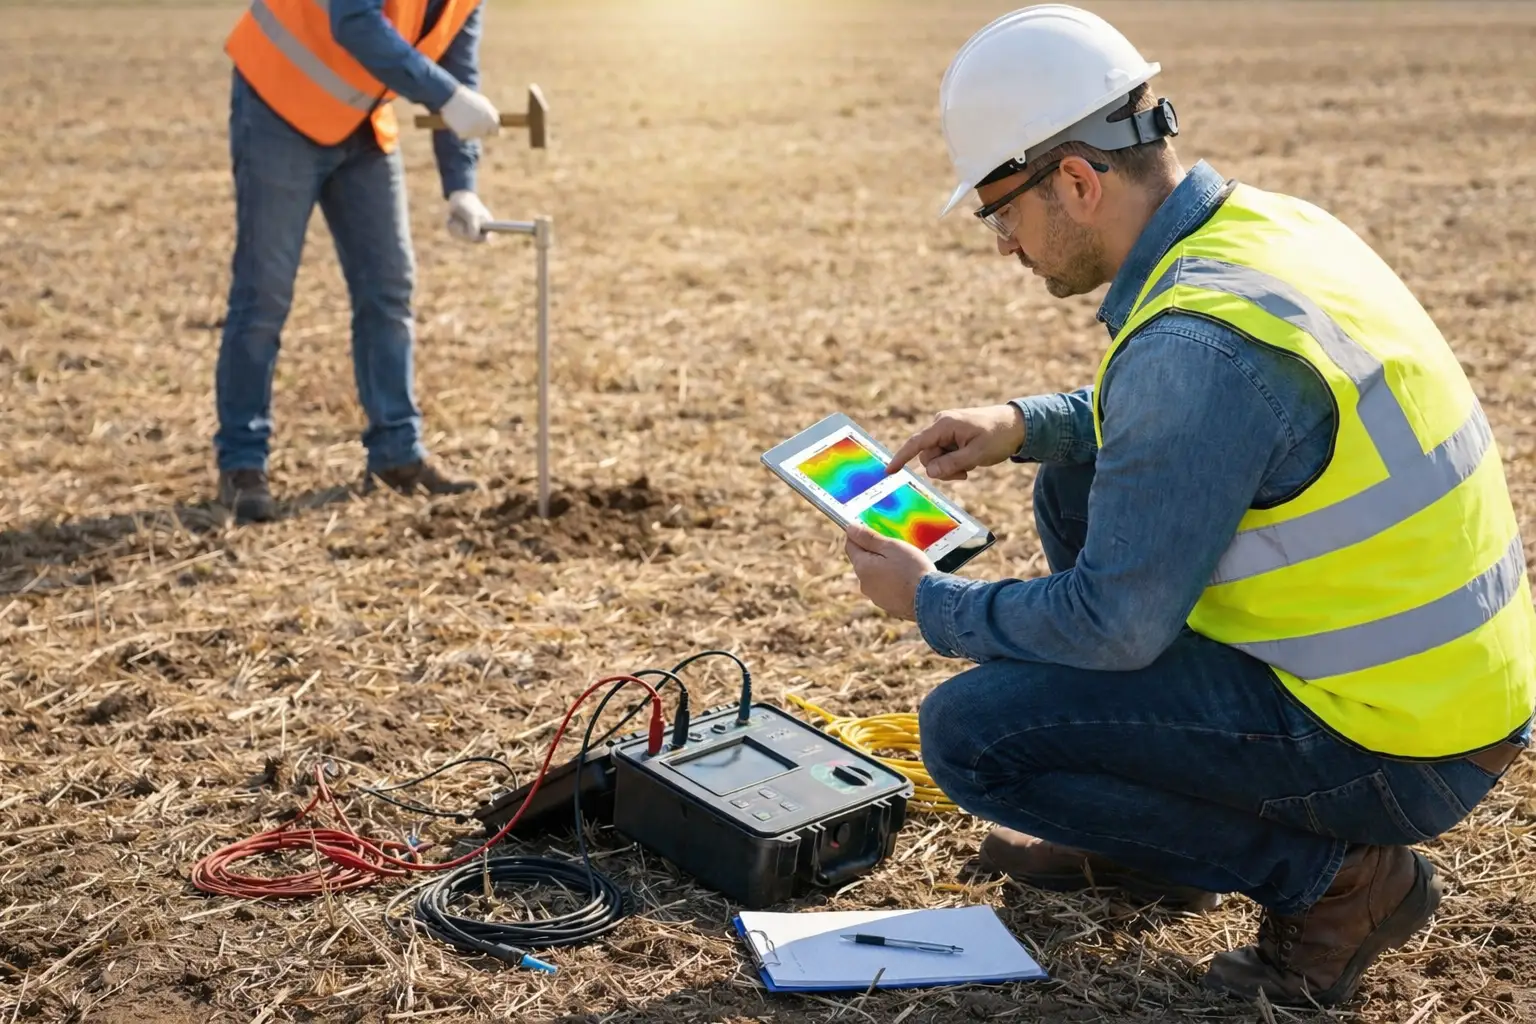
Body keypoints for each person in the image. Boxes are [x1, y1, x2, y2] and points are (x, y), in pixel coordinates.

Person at [840, 4, 1535, 1009]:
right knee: (1073, 474)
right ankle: (1157, 842)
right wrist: (1025, 424)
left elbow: (1111, 623)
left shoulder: (1194, 345)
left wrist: (931, 601)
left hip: (1397, 747)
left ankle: (1340, 885)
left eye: (1000, 213)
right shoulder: (1273, 230)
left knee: (971, 734)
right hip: (1446, 694)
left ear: (1077, 181)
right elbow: (1206, 421)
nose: (1003, 246)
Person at [215, 0, 504, 522]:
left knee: (389, 288)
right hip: (278, 106)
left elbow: (456, 72)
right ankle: (242, 464)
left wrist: (461, 186)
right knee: (264, 295)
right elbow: (355, 23)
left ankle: (396, 454)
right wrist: (447, 95)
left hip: (362, 125)